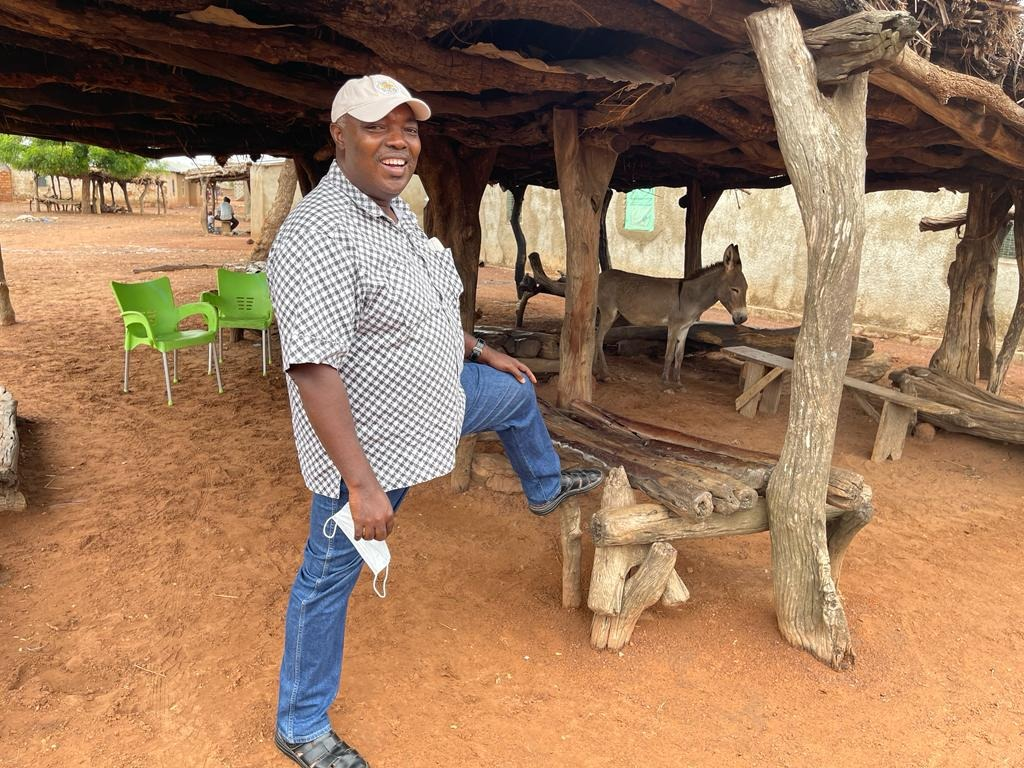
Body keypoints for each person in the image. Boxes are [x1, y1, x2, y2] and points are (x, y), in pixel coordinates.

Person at [266, 74, 603, 768]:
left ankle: (542, 487)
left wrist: (483, 350)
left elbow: (423, 313)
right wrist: (358, 484)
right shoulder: (320, 233)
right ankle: (300, 723)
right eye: (376, 126)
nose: (398, 141)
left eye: (408, 127)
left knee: (514, 395)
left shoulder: (391, 215)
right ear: (338, 136)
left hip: (439, 399)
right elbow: (313, 369)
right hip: (373, 446)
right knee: (326, 579)